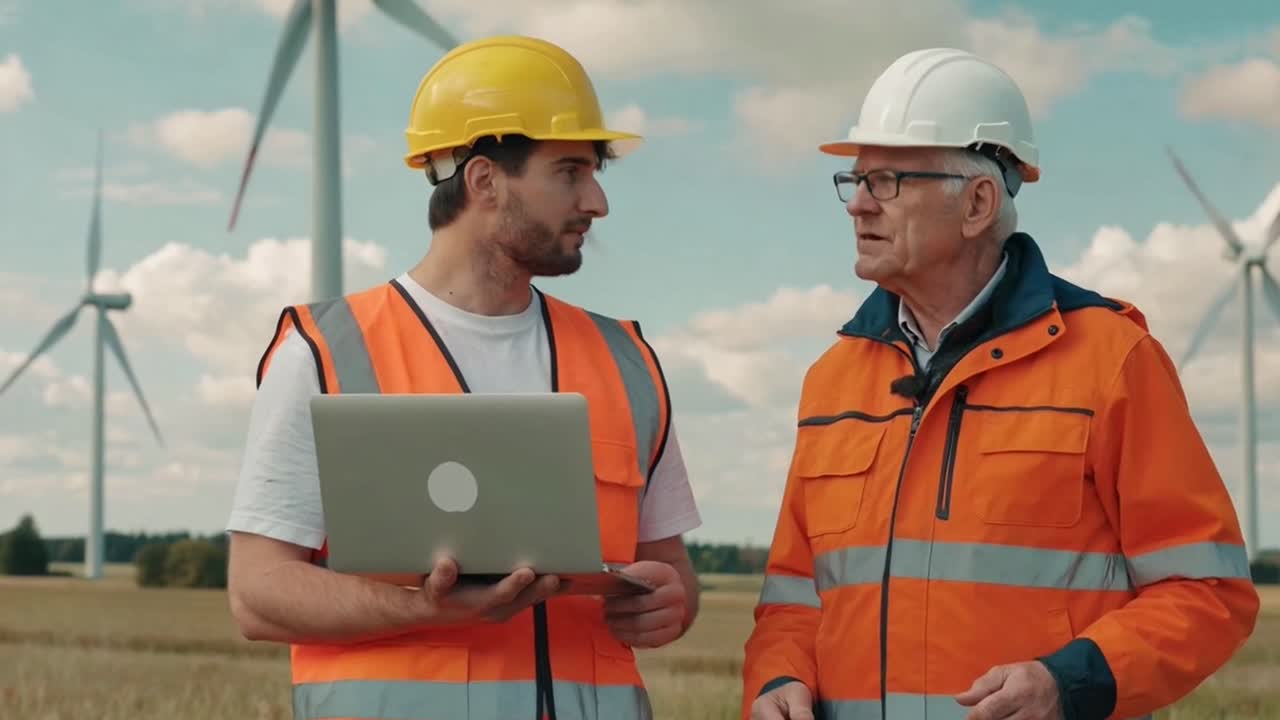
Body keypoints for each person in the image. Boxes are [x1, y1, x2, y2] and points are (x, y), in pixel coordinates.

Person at [742, 47, 1259, 720]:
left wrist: (1068, 684)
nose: (858, 205)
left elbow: (1207, 591)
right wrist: (778, 677)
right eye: (855, 179)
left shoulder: (1111, 361)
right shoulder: (832, 381)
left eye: (887, 180)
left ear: (978, 202)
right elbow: (794, 598)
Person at [224, 35, 702, 720]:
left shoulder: (626, 361)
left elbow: (671, 567)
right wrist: (427, 608)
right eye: (570, 171)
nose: (597, 201)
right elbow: (257, 596)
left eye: (594, 173)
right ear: (483, 181)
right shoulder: (324, 353)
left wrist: (671, 602)